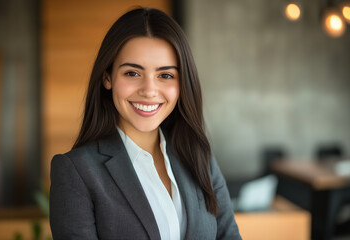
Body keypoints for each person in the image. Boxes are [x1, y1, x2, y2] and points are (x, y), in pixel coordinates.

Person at [49, 7, 241, 240]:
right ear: (107, 77)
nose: (149, 90)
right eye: (132, 73)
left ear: (182, 83)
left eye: (166, 75)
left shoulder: (199, 157)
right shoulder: (76, 172)